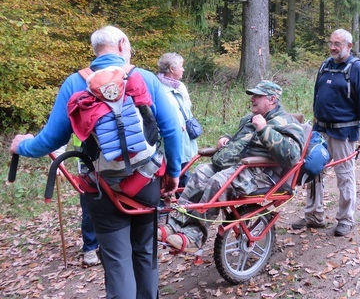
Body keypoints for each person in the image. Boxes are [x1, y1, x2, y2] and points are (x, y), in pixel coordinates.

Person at [10, 25, 182, 299]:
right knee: (145, 253)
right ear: (123, 44)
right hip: (146, 182)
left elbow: (50, 140)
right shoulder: (145, 78)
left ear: (95, 50)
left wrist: (22, 146)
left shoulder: (75, 84)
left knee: (116, 261)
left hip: (102, 189)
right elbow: (172, 130)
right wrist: (173, 174)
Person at [161, 81, 305, 251]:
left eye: (257, 96)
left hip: (263, 174)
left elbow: (291, 157)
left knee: (219, 181)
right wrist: (225, 139)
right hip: (237, 167)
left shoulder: (287, 123)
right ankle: (174, 225)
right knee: (200, 172)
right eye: (253, 95)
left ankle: (194, 236)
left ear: (272, 99)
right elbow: (239, 139)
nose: (252, 99)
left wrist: (265, 130)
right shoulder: (249, 119)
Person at [292, 29, 360, 237]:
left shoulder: (357, 69)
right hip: (320, 129)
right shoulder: (325, 65)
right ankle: (314, 216)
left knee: (344, 176)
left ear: (349, 46)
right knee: (313, 172)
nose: (332, 47)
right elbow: (317, 94)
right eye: (331, 43)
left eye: (337, 43)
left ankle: (346, 219)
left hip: (343, 132)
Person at [157, 52, 198, 189]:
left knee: (184, 174)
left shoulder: (180, 86)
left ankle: (185, 207)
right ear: (171, 69)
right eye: (181, 66)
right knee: (163, 176)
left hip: (185, 138)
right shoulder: (157, 89)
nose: (183, 69)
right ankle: (163, 208)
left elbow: (188, 109)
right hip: (167, 139)